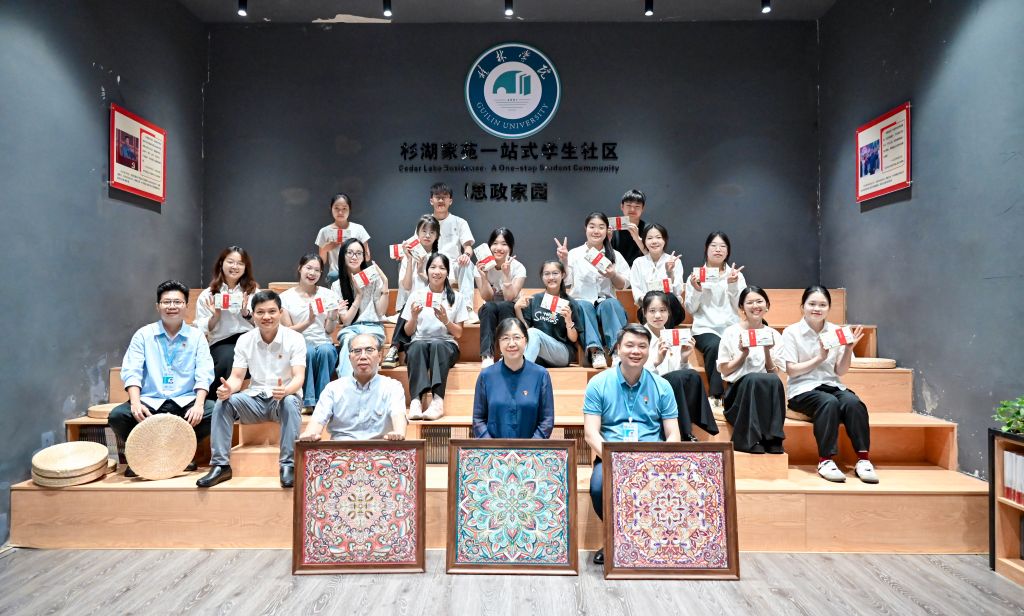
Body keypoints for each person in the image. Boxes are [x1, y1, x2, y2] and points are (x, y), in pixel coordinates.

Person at [583, 323, 681, 565]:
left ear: (649, 350)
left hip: (653, 457)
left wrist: (662, 461)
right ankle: (615, 538)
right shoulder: (598, 383)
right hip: (610, 455)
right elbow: (590, 433)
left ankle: (654, 540)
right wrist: (615, 459)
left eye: (642, 346)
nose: (636, 351)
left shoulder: (662, 386)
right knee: (598, 487)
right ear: (618, 348)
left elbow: (673, 434)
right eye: (629, 345)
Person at [197, 290, 305, 489]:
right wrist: (228, 389)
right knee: (224, 402)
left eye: (272, 311)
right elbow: (237, 377)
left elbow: (299, 377)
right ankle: (221, 465)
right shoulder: (245, 339)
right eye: (260, 312)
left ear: (280, 312)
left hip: (283, 398)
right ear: (252, 314)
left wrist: (286, 390)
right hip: (255, 399)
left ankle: (288, 465)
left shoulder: (295, 338)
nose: (266, 317)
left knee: (290, 401)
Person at [109, 280, 214, 477]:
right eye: (167, 302)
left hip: (184, 401)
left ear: (186, 306)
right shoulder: (143, 335)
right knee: (117, 416)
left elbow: (204, 373)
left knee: (214, 411)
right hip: (150, 401)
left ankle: (181, 454)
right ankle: (143, 457)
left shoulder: (196, 336)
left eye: (177, 302)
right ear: (158, 306)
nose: (172, 306)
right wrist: (135, 403)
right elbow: (132, 371)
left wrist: (199, 404)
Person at [780, 286, 877, 483]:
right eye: (812, 304)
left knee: (853, 403)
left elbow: (840, 371)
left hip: (832, 385)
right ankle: (825, 460)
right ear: (802, 306)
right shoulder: (791, 332)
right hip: (802, 389)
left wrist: (848, 348)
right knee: (828, 402)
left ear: (829, 308)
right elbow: (791, 370)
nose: (817, 308)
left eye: (822, 305)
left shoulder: (837, 331)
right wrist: (819, 358)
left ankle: (863, 459)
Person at [716, 286, 786, 454]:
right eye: (750, 302)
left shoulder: (774, 335)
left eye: (759, 301)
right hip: (737, 394)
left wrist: (767, 351)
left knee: (773, 380)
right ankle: (748, 439)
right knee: (753, 378)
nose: (755, 306)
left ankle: (773, 438)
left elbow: (773, 373)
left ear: (767, 305)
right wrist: (743, 354)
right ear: (742, 307)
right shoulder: (731, 332)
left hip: (765, 394)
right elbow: (724, 370)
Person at [298, 333, 407, 442]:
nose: (363, 356)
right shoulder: (333, 389)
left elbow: (398, 416)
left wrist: (399, 432)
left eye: (369, 350)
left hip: (380, 449)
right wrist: (310, 433)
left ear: (379, 356)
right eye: (357, 351)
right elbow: (317, 421)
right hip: (341, 449)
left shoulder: (393, 387)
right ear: (350, 358)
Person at [556, 212, 630, 370]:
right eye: (592, 227)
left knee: (611, 303)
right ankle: (595, 351)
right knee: (583, 305)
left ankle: (617, 351)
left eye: (601, 227)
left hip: (605, 302)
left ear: (607, 230)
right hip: (582, 302)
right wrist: (564, 260)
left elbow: (623, 285)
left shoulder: (615, 255)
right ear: (586, 228)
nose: (596, 231)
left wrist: (613, 275)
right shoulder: (575, 253)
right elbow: (566, 282)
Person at [638, 291, 717, 439]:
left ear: (668, 312)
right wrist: (656, 362)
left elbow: (685, 377)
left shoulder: (673, 336)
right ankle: (685, 433)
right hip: (646, 391)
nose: (658, 315)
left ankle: (688, 429)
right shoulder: (637, 338)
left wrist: (684, 359)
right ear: (644, 312)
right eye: (652, 311)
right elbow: (633, 374)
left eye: (662, 310)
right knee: (676, 379)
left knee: (691, 375)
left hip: (673, 390)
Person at [401, 253, 469, 420]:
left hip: (446, 346)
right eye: (433, 267)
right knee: (416, 346)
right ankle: (416, 401)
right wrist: (414, 317)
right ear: (427, 270)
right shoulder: (416, 295)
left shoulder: (457, 297)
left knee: (438, 344)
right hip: (420, 344)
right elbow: (408, 332)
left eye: (442, 268)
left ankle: (438, 401)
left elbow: (459, 333)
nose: (437, 272)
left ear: (447, 272)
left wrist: (446, 320)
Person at [684, 231, 746, 410]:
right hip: (704, 328)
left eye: (722, 246)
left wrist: (732, 284)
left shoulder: (736, 275)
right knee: (715, 345)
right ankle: (716, 396)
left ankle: (738, 397)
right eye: (714, 245)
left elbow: (740, 306)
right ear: (706, 249)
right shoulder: (695, 275)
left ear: (728, 251)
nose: (718, 249)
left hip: (730, 328)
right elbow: (690, 309)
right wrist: (697, 289)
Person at [279, 253, 343, 411]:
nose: (312, 273)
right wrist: (308, 321)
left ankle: (323, 402)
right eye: (308, 268)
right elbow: (288, 331)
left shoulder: (328, 295)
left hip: (323, 341)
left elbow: (328, 330)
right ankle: (307, 401)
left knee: (327, 351)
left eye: (317, 270)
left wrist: (333, 314)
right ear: (300, 268)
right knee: (308, 352)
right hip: (298, 343)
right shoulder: (285, 297)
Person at [472, 318, 555, 439]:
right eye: (505, 338)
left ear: (525, 340)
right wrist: (492, 447)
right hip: (493, 449)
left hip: (532, 449)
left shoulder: (541, 375)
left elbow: (547, 420)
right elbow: (478, 419)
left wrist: (531, 447)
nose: (511, 343)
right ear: (498, 343)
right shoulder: (486, 376)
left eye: (517, 337)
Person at [194, 246, 259, 386]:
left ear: (245, 267)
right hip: (221, 342)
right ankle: (226, 396)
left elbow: (263, 324)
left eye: (240, 263)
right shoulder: (208, 294)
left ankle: (238, 394)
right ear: (221, 263)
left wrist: (246, 313)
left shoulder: (254, 293)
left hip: (249, 341)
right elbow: (201, 329)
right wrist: (216, 316)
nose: (235, 266)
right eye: (230, 262)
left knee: (243, 354)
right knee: (230, 355)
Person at [382, 214, 440, 369]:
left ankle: (396, 347)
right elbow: (407, 286)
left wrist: (422, 272)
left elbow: (440, 286)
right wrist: (409, 261)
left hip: (432, 303)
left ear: (437, 236)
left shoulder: (438, 259)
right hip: (411, 305)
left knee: (412, 305)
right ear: (417, 233)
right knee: (410, 303)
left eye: (432, 232)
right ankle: (394, 349)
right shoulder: (407, 258)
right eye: (424, 231)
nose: (427, 235)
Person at [331, 238, 388, 377]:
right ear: (343, 255)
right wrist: (359, 296)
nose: (354, 257)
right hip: (351, 328)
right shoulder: (337, 285)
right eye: (350, 252)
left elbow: (381, 311)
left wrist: (385, 285)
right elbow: (346, 320)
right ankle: (347, 385)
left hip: (373, 327)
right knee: (349, 343)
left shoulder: (373, 278)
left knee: (368, 346)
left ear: (363, 257)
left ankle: (368, 385)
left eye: (358, 253)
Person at [424, 182, 478, 323]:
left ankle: (467, 309)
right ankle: (403, 309)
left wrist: (466, 255)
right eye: (437, 197)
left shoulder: (460, 222)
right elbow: (417, 245)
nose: (441, 200)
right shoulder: (425, 223)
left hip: (453, 265)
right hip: (430, 265)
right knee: (407, 262)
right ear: (431, 200)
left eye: (444, 197)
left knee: (467, 263)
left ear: (450, 201)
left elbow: (468, 247)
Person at [514, 260, 582, 368]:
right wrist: (517, 309)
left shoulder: (570, 303)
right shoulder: (534, 299)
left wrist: (568, 321)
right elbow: (526, 331)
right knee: (530, 333)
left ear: (562, 275)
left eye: (555, 273)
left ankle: (521, 370)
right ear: (542, 276)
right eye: (547, 274)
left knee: (533, 333)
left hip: (562, 353)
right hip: (539, 353)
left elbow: (574, 339)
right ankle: (519, 367)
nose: (551, 277)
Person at [475, 227, 527, 368]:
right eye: (495, 243)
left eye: (504, 244)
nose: (499, 248)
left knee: (505, 305)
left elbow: (509, 297)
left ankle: (507, 354)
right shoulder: (480, 266)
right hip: (489, 310)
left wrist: (506, 274)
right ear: (489, 246)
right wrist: (484, 277)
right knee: (489, 306)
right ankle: (487, 356)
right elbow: (487, 297)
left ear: (510, 247)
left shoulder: (519, 268)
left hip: (510, 309)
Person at [629, 223, 685, 321]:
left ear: (665, 240)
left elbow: (677, 292)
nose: (654, 241)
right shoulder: (638, 262)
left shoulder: (674, 261)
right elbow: (636, 290)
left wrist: (670, 273)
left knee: (669, 298)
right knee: (652, 309)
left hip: (671, 309)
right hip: (647, 309)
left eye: (658, 237)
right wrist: (651, 302)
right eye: (649, 238)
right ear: (644, 241)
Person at [315, 193, 372, 285]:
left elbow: (367, 257)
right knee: (334, 275)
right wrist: (326, 248)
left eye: (344, 208)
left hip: (356, 274)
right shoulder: (324, 231)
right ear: (331, 208)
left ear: (349, 209)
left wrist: (355, 251)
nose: (340, 212)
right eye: (336, 208)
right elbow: (322, 261)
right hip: (336, 275)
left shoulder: (359, 229)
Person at [609, 188, 649, 266]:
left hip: (642, 270)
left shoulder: (649, 229)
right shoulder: (612, 227)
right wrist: (607, 240)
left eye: (637, 206)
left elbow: (654, 256)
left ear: (643, 208)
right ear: (622, 206)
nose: (632, 209)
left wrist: (637, 238)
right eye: (628, 205)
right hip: (616, 269)